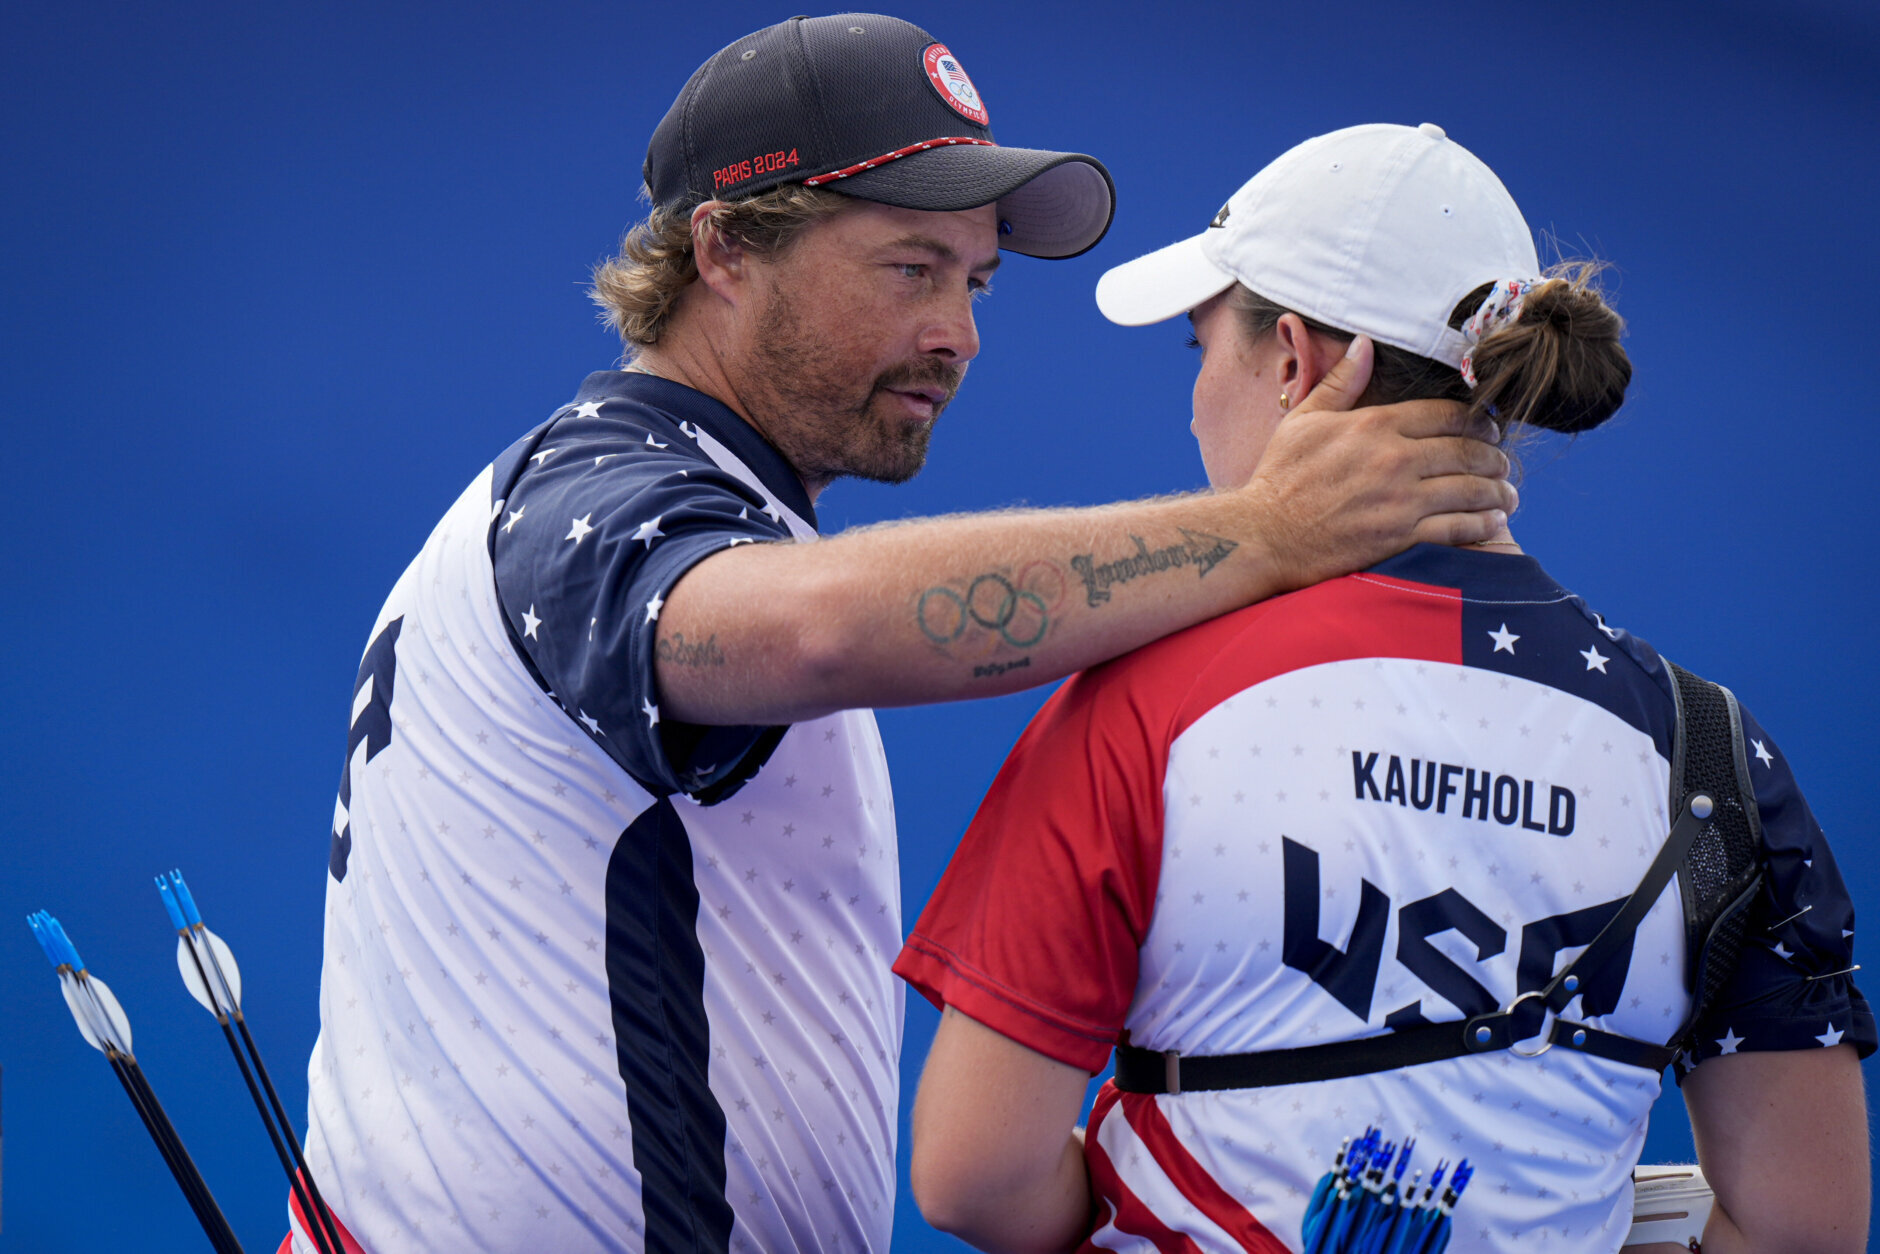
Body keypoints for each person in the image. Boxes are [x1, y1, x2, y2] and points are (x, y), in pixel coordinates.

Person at [290, 19, 1518, 1252]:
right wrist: (1265, 532)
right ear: (724, 249)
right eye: (910, 268)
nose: (959, 333)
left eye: (972, 283)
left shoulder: (650, 497)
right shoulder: (592, 493)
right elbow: (812, 633)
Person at [896, 122, 1873, 1254]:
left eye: (1197, 346)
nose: (1195, 392)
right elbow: (1805, 1228)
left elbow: (972, 1176)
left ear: (1295, 361)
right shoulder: (1711, 754)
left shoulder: (1148, 696)